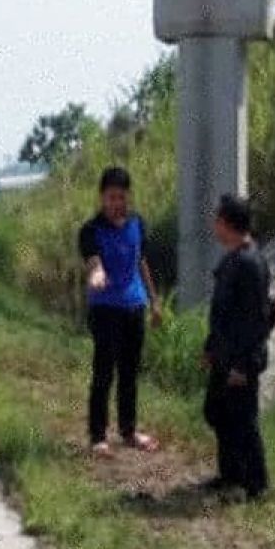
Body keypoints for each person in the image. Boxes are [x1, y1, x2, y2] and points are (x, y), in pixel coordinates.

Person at [78, 166, 164, 459]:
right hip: (105, 309)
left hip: (134, 306)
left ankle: (128, 431)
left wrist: (154, 301)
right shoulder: (91, 230)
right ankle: (98, 435)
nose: (117, 203)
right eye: (112, 197)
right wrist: (97, 275)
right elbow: (93, 260)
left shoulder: (137, 224)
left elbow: (141, 263)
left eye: (122, 197)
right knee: (104, 372)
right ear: (102, 197)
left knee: (130, 372)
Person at [201, 193, 272, 500]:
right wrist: (210, 347)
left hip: (241, 359)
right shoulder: (232, 259)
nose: (214, 224)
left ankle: (255, 484)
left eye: (217, 218)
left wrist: (243, 365)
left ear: (228, 224)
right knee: (217, 411)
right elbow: (222, 313)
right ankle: (230, 474)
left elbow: (256, 320)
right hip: (224, 354)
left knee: (244, 421)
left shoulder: (250, 264)